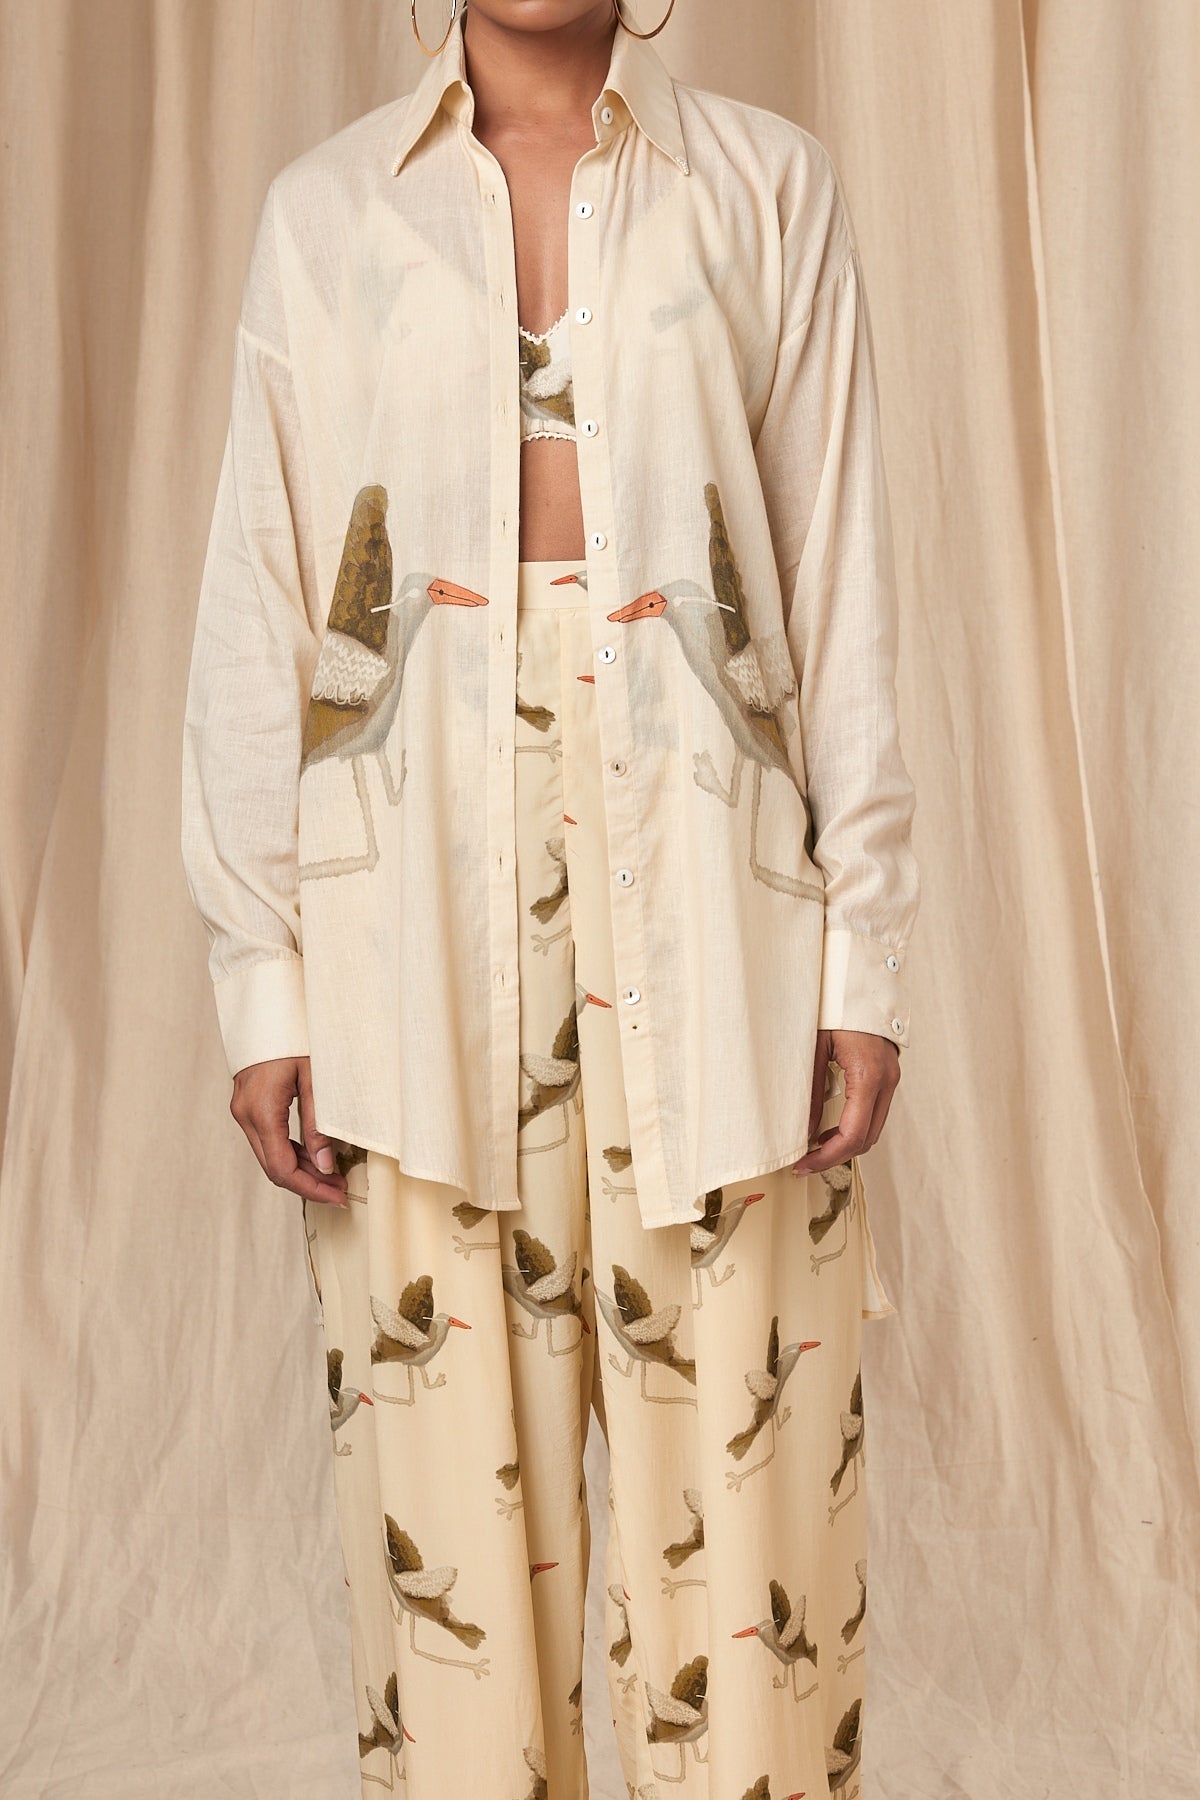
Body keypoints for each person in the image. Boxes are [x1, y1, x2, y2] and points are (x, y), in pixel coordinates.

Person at [180, 0, 920, 1792]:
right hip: (406, 937)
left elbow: (841, 578)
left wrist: (863, 952)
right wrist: (263, 974)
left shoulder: (766, 188)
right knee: (445, 1560)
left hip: (724, 919)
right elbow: (265, 602)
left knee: (750, 1546)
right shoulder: (328, 212)